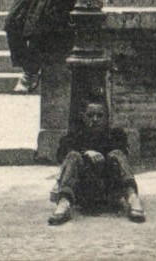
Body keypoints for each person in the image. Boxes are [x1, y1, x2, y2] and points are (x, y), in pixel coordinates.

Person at [48, 96, 145, 225]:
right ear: (83, 117)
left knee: (117, 153)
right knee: (72, 156)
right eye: (90, 115)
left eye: (100, 115)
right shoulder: (75, 135)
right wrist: (86, 153)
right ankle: (63, 204)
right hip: (83, 193)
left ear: (107, 118)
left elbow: (123, 152)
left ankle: (133, 199)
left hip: (110, 191)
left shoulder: (116, 135)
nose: (95, 119)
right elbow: (61, 154)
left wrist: (103, 156)